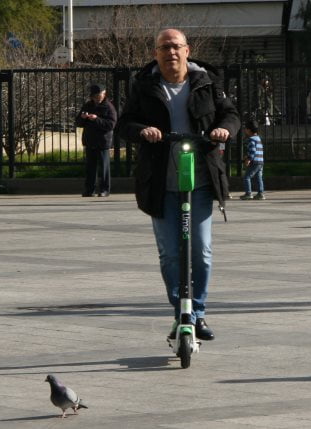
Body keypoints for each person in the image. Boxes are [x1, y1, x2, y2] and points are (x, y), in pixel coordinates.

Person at [116, 28, 239, 342]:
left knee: (201, 251)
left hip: (201, 182)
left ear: (187, 50)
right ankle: (181, 313)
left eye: (175, 46)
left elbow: (231, 115)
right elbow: (125, 123)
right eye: (164, 48)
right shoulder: (145, 86)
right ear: (156, 53)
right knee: (170, 254)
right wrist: (143, 131)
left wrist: (223, 130)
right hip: (161, 183)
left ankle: (198, 312)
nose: (170, 52)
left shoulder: (206, 82)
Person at [75, 83, 117, 197]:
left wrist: (96, 119)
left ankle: (105, 189)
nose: (97, 98)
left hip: (103, 141)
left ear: (104, 94)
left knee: (104, 167)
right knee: (90, 167)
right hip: (90, 140)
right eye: (95, 96)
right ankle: (89, 190)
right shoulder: (88, 105)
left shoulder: (109, 107)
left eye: (99, 95)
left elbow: (111, 124)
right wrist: (82, 118)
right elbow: (78, 122)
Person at [239, 119, 265, 200]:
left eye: (245, 129)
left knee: (246, 177)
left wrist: (248, 159)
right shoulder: (258, 138)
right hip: (260, 161)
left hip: (255, 162)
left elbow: (253, 151)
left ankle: (248, 193)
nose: (245, 130)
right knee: (259, 177)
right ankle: (260, 193)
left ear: (249, 130)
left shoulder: (251, 139)